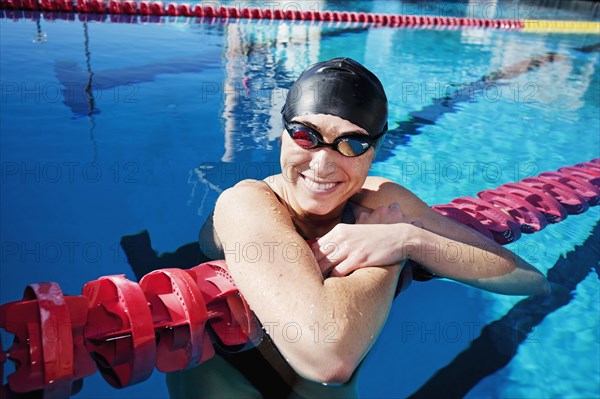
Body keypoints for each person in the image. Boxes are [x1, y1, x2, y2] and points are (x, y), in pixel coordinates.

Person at [166, 57, 550, 399]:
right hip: (232, 376)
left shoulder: (379, 200)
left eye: (351, 144)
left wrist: (406, 238)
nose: (322, 165)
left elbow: (527, 280)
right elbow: (326, 357)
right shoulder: (246, 204)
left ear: (376, 151)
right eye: (305, 135)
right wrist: (387, 260)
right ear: (283, 132)